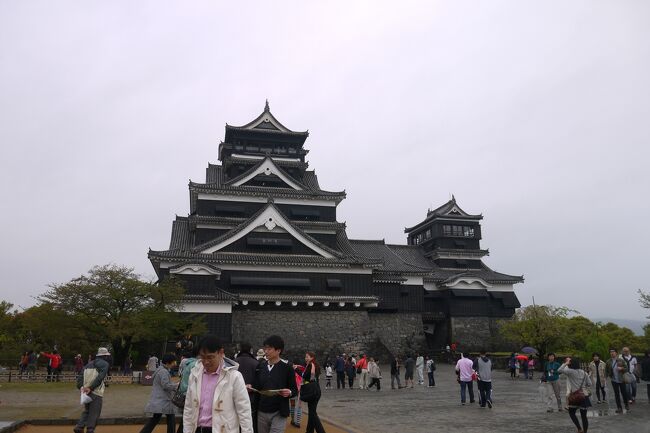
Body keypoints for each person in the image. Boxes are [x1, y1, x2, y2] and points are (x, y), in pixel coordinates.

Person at [183, 335, 253, 433]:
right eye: (202, 357)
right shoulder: (194, 375)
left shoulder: (234, 377)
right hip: (197, 429)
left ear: (221, 353)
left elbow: (244, 411)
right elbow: (189, 408)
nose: (206, 362)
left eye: (210, 357)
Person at [251, 335, 297, 433]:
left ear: (278, 350)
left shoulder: (287, 368)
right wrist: (250, 387)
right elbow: (256, 386)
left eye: (269, 349)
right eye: (265, 348)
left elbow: (294, 390)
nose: (266, 351)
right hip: (261, 410)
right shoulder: (260, 367)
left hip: (279, 411)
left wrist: (289, 392)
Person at [74, 348, 110, 433]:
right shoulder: (105, 364)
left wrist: (81, 387)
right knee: (95, 412)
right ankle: (90, 429)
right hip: (95, 391)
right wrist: (91, 388)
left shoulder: (88, 364)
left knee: (87, 410)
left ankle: (79, 426)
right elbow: (100, 377)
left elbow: (80, 377)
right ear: (104, 356)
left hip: (85, 391)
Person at [140, 353, 178, 433]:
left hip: (160, 400)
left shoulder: (160, 370)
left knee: (156, 419)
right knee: (170, 418)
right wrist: (177, 386)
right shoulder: (164, 372)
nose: (174, 364)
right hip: (163, 400)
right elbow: (166, 385)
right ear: (168, 363)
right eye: (173, 362)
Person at [559, 357, 592, 433]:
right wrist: (583, 387)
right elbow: (589, 384)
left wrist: (566, 363)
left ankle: (579, 429)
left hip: (574, 396)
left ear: (571, 364)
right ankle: (585, 431)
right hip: (584, 396)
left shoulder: (570, 372)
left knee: (571, 413)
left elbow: (559, 370)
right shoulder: (584, 372)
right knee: (584, 417)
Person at [303, 352, 326, 433]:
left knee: (312, 413)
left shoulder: (310, 365)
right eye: (305, 357)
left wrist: (296, 370)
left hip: (312, 391)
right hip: (316, 390)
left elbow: (308, 376)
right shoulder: (315, 365)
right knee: (311, 411)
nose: (306, 358)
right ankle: (309, 431)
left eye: (307, 357)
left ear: (312, 358)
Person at [606, 348, 630, 413]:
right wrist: (605, 377)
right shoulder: (608, 361)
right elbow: (606, 370)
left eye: (613, 352)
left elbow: (627, 368)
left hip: (621, 379)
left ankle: (626, 405)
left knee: (624, 393)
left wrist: (621, 368)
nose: (612, 353)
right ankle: (619, 407)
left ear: (616, 353)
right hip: (614, 380)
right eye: (611, 352)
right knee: (616, 394)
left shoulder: (621, 360)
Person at [290, 361, 305, 428]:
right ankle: (298, 422)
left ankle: (293, 420)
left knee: (292, 404)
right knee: (299, 406)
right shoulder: (302, 369)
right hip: (300, 388)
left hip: (292, 388)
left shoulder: (290, 369)